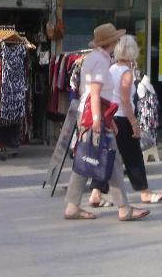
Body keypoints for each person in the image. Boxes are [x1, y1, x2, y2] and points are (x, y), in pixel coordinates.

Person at [63, 23, 150, 222]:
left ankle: (75, 205)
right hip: (96, 116)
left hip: (96, 115)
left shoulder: (94, 58)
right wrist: (98, 120)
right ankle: (123, 208)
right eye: (115, 39)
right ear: (110, 42)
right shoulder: (101, 61)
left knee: (90, 160)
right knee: (107, 159)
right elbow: (95, 92)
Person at [88, 34, 162, 208]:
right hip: (122, 118)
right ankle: (144, 192)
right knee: (134, 157)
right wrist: (134, 123)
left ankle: (96, 192)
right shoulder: (126, 73)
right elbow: (125, 100)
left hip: (111, 117)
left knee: (107, 156)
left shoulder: (112, 68)